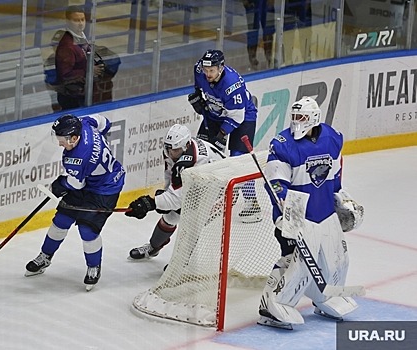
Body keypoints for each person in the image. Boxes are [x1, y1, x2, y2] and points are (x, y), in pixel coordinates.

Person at [257, 96, 364, 329]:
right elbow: (275, 183)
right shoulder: (283, 144)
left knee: (340, 259)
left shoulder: (330, 138)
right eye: (294, 117)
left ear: (314, 118)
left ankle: (328, 296)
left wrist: (341, 199)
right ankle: (273, 304)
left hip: (325, 211)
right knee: (297, 263)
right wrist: (283, 208)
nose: (297, 121)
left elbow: (334, 175)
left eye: (302, 117)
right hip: (296, 212)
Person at [25, 113, 126, 291]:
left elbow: (75, 184)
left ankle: (94, 267)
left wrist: (60, 184)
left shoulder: (78, 157)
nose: (59, 143)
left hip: (105, 188)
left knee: (87, 230)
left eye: (62, 139)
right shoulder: (84, 123)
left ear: (74, 137)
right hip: (88, 180)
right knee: (61, 221)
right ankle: (45, 256)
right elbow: (105, 122)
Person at [124, 123, 225, 260]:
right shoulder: (174, 150)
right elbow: (170, 175)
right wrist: (165, 195)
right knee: (170, 216)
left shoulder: (194, 163)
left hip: (221, 191)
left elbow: (177, 199)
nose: (170, 153)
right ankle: (153, 247)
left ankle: (181, 263)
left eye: (175, 150)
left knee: (193, 222)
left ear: (186, 146)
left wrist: (152, 203)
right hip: (204, 183)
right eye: (168, 149)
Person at [188, 49, 261, 222]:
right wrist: (199, 100)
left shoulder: (231, 85)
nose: (207, 74)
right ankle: (197, 199)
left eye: (211, 71)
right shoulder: (200, 69)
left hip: (243, 117)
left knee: (238, 160)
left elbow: (237, 116)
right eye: (206, 70)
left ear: (221, 68)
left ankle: (252, 203)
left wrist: (221, 134)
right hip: (216, 114)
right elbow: (200, 88)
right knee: (200, 152)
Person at [54, 5, 118, 110]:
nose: (80, 23)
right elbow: (65, 75)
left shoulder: (81, 37)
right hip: (73, 97)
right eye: (76, 20)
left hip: (83, 92)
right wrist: (88, 71)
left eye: (82, 19)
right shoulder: (66, 46)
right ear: (68, 21)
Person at [243, 0, 275, 70]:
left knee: (268, 28)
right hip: (252, 3)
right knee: (253, 30)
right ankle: (252, 58)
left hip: (266, 3)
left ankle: (269, 57)